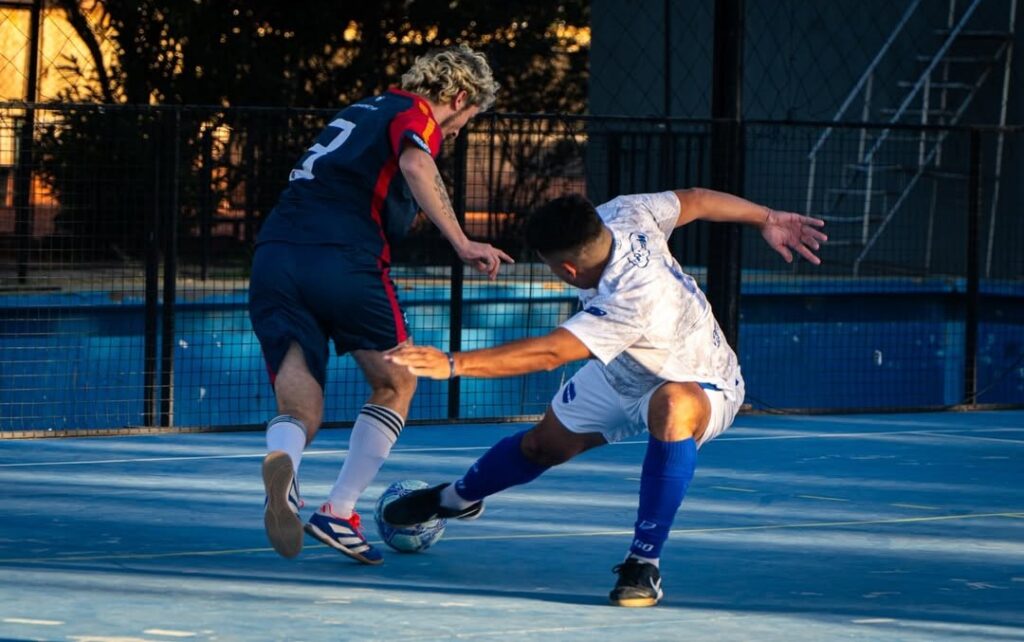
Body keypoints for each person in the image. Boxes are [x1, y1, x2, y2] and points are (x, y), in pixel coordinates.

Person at [383, 188, 826, 605]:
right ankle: (454, 499)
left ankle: (643, 563)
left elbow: (552, 353)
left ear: (568, 270)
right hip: (624, 369)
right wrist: (766, 217)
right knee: (542, 446)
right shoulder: (622, 213)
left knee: (671, 405)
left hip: (701, 380)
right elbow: (695, 200)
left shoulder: (631, 298)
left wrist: (452, 363)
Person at [248, 44, 513, 564]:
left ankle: (284, 464)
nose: (458, 132)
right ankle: (339, 510)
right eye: (467, 118)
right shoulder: (414, 116)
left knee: (301, 406)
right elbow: (416, 162)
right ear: (458, 96)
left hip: (274, 256)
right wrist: (462, 242)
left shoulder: (358, 110)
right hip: (345, 259)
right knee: (397, 380)